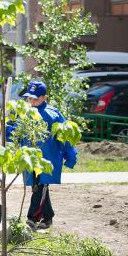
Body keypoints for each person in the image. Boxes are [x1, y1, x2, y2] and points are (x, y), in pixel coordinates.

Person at [19, 80, 78, 230]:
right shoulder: (25, 113)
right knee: (38, 187)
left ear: (44, 97)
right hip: (30, 159)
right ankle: (48, 216)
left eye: (35, 98)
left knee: (40, 187)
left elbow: (65, 136)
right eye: (29, 98)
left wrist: (71, 156)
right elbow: (17, 132)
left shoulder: (53, 115)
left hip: (47, 160)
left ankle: (32, 218)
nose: (31, 102)